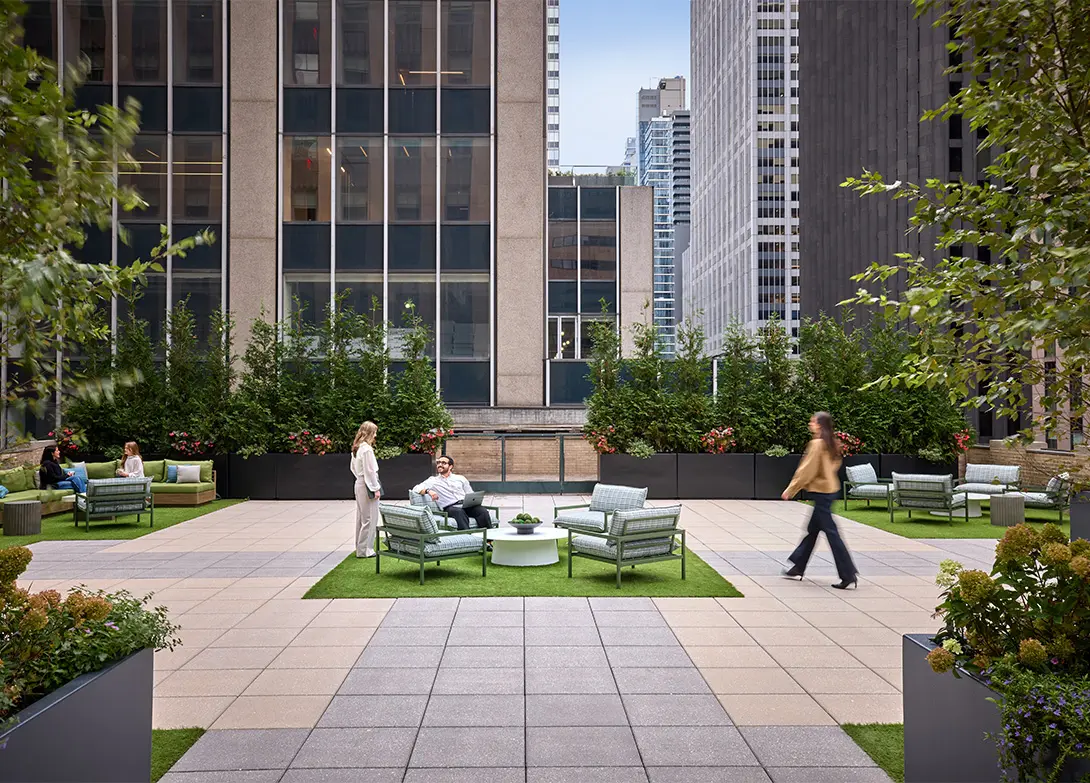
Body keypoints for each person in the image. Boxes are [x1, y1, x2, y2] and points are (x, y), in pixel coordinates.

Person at [781, 411, 859, 590]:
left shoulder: (817, 444)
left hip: (821, 492)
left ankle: (848, 574)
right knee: (813, 530)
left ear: (819, 424)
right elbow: (834, 465)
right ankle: (798, 566)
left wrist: (791, 489)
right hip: (829, 490)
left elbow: (807, 469)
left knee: (831, 533)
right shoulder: (832, 443)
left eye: (813, 421)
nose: (810, 424)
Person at [412, 455, 492, 531]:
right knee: (459, 512)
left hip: (465, 504)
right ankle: (467, 537)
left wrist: (474, 501)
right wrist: (428, 491)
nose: (440, 465)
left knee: (482, 511)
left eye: (443, 463)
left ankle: (488, 538)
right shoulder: (432, 481)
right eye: (438, 462)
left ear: (450, 466)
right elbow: (416, 488)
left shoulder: (460, 478)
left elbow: (470, 493)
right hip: (450, 507)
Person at [350, 421, 382, 558]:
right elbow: (370, 471)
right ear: (369, 433)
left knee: (362, 517)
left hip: (359, 483)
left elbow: (353, 468)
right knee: (370, 518)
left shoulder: (356, 448)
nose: (375, 435)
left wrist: (361, 479)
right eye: (374, 433)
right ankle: (365, 550)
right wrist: (375, 488)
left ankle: (360, 547)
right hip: (366, 485)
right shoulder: (367, 449)